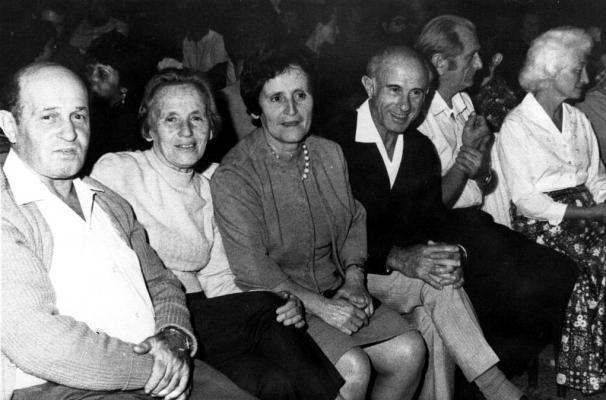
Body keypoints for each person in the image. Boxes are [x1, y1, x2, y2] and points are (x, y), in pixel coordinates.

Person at [0, 62, 255, 400]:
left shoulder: (106, 200)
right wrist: (154, 368)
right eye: (49, 117)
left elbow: (162, 282)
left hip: (159, 367)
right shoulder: (8, 210)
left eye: (78, 116)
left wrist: (174, 336)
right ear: (10, 125)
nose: (70, 133)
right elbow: (35, 341)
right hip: (61, 388)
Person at [91, 68, 344, 400]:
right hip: (148, 317)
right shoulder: (118, 171)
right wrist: (265, 305)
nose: (186, 131)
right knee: (268, 310)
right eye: (171, 119)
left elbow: (220, 278)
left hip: (204, 319)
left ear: (211, 128)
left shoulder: (214, 182)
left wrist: (281, 301)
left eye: (197, 118)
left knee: (274, 383)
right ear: (149, 129)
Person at [211, 47, 425, 400]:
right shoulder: (236, 175)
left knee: (409, 351)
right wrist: (324, 308)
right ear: (254, 109)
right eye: (276, 98)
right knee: (352, 369)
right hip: (282, 309)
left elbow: (353, 220)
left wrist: (354, 280)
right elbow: (252, 269)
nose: (291, 110)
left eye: (301, 95)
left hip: (335, 290)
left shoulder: (329, 153)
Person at [325, 45, 526, 400]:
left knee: (439, 288)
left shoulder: (418, 147)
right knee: (437, 289)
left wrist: (448, 255)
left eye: (416, 93)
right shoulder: (334, 141)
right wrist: (399, 258)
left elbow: (431, 222)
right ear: (369, 86)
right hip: (343, 275)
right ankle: (496, 388)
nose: (405, 105)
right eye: (394, 90)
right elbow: (330, 233)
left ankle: (492, 389)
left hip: (394, 276)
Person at [415, 15, 578, 376]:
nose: (479, 63)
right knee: (517, 285)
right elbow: (430, 205)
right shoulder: (418, 116)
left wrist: (480, 167)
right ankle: (492, 376)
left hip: (474, 220)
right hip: (440, 228)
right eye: (471, 56)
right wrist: (466, 158)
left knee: (559, 270)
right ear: (440, 62)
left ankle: (505, 368)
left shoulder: (462, 102)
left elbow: (484, 180)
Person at [498, 27, 606, 394]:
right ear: (549, 71)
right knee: (599, 254)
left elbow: (596, 177)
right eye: (577, 70)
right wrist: (589, 214)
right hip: (542, 224)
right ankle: (583, 367)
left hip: (587, 213)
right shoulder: (517, 125)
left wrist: (601, 204)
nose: (586, 78)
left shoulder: (577, 119)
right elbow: (527, 201)